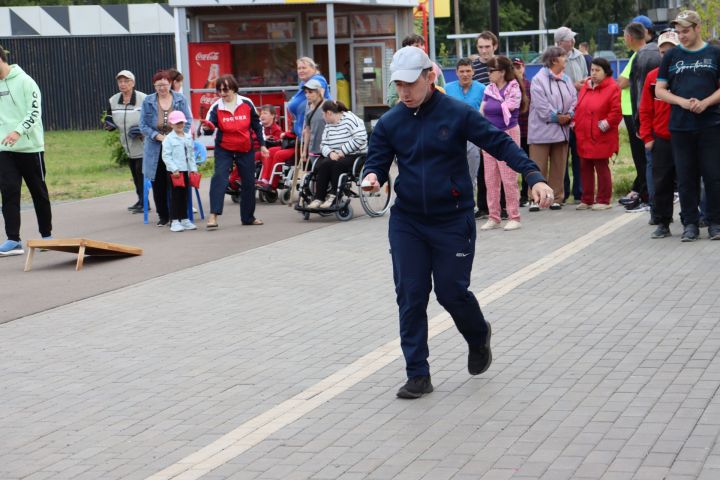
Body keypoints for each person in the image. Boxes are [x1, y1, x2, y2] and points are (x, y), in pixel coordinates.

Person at [361, 46, 554, 399]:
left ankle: (478, 335)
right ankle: (417, 373)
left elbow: (498, 143)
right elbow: (376, 160)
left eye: (409, 84)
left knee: (451, 292)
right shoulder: (391, 121)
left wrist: (533, 175)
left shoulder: (456, 113)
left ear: (429, 77)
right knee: (411, 295)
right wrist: (372, 176)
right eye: (397, 85)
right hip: (409, 222)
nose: (403, 92)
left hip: (452, 219)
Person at [656, 10, 720, 241]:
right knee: (685, 177)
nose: (681, 36)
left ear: (697, 28)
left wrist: (706, 103)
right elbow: (659, 89)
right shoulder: (671, 56)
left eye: (685, 31)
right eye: (678, 32)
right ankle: (690, 224)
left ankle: (715, 223)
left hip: (710, 124)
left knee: (713, 176)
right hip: (681, 126)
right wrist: (682, 101)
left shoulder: (714, 53)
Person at [0, 45, 52, 256]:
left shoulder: (25, 81)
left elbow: (35, 112)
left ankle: (47, 236)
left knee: (38, 192)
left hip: (30, 147)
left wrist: (18, 131)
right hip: (4, 149)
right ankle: (13, 240)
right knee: (9, 192)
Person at [202, 74, 268, 229]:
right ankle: (213, 216)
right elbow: (208, 127)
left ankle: (248, 218)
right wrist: (207, 128)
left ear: (234, 88)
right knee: (219, 178)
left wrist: (263, 145)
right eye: (219, 90)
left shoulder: (246, 103)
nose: (222, 93)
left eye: (226, 90)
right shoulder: (216, 106)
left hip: (245, 147)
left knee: (248, 182)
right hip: (224, 147)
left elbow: (257, 125)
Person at [479, 55, 527, 231]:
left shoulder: (514, 88)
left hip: (507, 134)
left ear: (502, 72)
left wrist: (495, 106)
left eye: (491, 71)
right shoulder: (488, 89)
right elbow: (482, 111)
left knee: (509, 177)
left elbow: (509, 107)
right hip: (489, 136)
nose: (489, 74)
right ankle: (494, 216)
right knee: (490, 178)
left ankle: (514, 215)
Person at [639, 31, 679, 238]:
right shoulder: (652, 77)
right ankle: (663, 221)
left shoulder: (687, 73)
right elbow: (645, 109)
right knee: (661, 181)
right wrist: (647, 137)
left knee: (691, 180)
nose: (667, 55)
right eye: (663, 52)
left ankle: (697, 218)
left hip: (686, 136)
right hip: (661, 137)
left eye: (671, 51)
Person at [527, 46, 578, 211]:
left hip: (562, 132)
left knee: (559, 167)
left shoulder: (567, 79)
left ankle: (556, 198)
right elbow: (541, 106)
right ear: (554, 59)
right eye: (563, 56)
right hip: (542, 131)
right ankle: (535, 199)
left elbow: (574, 99)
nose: (566, 59)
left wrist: (569, 114)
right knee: (537, 166)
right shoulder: (538, 79)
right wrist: (557, 117)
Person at [140, 70, 192, 227]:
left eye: (165, 84)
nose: (162, 88)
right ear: (154, 86)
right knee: (159, 182)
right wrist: (157, 136)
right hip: (156, 146)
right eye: (158, 85)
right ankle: (163, 215)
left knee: (176, 181)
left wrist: (177, 136)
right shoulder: (148, 101)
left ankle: (179, 215)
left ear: (171, 84)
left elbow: (188, 120)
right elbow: (143, 125)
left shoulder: (179, 99)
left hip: (176, 145)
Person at [573, 58, 621, 211]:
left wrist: (604, 125)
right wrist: (575, 123)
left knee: (601, 167)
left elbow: (616, 112)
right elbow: (579, 107)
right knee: (584, 166)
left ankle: (603, 199)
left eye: (597, 70)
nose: (593, 73)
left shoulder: (613, 88)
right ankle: (586, 199)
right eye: (592, 70)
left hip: (601, 135)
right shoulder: (585, 87)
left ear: (606, 72)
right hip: (583, 134)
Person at [306, 100, 367, 209]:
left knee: (337, 165)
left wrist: (342, 151)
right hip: (334, 155)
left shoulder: (350, 119)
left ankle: (334, 195)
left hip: (354, 154)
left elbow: (361, 138)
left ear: (329, 113)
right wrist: (330, 152)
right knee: (323, 165)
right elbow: (323, 144)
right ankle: (319, 198)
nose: (322, 117)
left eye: (323, 114)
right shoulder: (328, 125)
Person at [617, 22, 652, 212]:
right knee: (641, 157)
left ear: (630, 38)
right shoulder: (642, 54)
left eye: (624, 36)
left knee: (640, 157)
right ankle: (642, 191)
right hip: (634, 111)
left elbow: (621, 82)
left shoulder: (638, 56)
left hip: (633, 112)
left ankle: (646, 196)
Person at [445, 58, 486, 210]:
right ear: (456, 73)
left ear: (473, 72)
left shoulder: (482, 89)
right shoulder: (448, 88)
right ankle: (453, 203)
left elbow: (486, 114)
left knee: (471, 172)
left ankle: (470, 203)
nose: (465, 74)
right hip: (452, 136)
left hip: (473, 136)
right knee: (452, 171)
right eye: (461, 71)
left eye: (468, 71)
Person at [629, 22, 661, 217]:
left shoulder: (642, 55)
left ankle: (656, 210)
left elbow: (636, 93)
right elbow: (641, 97)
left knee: (651, 165)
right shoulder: (644, 59)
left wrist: (638, 122)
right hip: (652, 125)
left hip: (657, 126)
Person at [105, 70, 146, 214]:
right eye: (120, 81)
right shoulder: (113, 100)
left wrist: (143, 131)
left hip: (143, 142)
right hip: (126, 143)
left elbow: (152, 119)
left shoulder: (144, 99)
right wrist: (109, 125)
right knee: (135, 174)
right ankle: (141, 200)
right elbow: (110, 118)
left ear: (133, 83)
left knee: (141, 173)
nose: (123, 84)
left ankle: (144, 202)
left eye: (126, 81)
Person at [555, 26, 588, 204]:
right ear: (560, 42)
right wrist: (573, 86)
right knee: (561, 154)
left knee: (578, 152)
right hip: (563, 113)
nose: (573, 41)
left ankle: (580, 191)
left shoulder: (579, 56)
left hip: (579, 110)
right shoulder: (554, 58)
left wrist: (582, 83)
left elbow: (585, 76)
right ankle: (563, 191)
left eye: (573, 38)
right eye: (569, 39)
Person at [471, 31, 500, 219]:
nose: (484, 51)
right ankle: (483, 206)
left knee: (502, 164)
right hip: (479, 123)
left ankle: (502, 206)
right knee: (482, 169)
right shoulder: (473, 67)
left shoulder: (501, 65)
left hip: (498, 120)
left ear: (494, 46)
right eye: (480, 47)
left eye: (487, 47)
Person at [161, 110, 198, 232]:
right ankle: (175, 220)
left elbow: (191, 155)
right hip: (174, 173)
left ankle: (184, 218)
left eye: (181, 122)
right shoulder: (168, 139)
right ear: (171, 124)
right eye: (177, 123)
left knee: (185, 196)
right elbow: (166, 156)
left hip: (186, 171)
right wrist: (174, 169)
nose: (180, 125)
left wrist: (193, 169)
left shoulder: (188, 137)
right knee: (175, 196)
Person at [386, 34, 446, 107]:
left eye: (422, 45)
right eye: (417, 45)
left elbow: (443, 90)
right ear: (407, 49)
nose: (422, 48)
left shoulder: (434, 66)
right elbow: (391, 100)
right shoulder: (399, 70)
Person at [287, 57, 330, 138]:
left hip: (315, 133)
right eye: (299, 68)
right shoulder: (303, 83)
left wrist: (309, 127)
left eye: (304, 68)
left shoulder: (318, 79)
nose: (301, 70)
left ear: (313, 68)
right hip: (305, 133)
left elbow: (320, 100)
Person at [512, 57, 532, 207]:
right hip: (512, 131)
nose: (516, 70)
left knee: (526, 163)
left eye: (518, 67)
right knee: (512, 164)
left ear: (523, 68)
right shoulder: (508, 86)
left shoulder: (529, 85)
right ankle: (514, 195)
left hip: (527, 131)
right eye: (513, 67)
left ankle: (525, 194)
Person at [253, 105, 284, 191]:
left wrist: (267, 139)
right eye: (261, 113)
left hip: (270, 151)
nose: (262, 115)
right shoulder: (259, 128)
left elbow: (279, 142)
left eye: (265, 113)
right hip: (259, 151)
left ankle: (265, 179)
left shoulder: (276, 129)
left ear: (273, 115)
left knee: (266, 153)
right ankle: (238, 180)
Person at [300, 79, 326, 166]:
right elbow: (307, 131)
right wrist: (304, 151)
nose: (307, 95)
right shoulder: (308, 109)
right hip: (313, 150)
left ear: (318, 92)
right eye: (306, 92)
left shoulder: (328, 106)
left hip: (327, 149)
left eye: (310, 92)